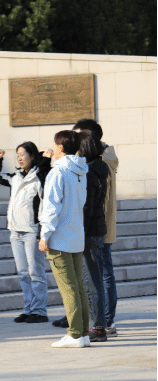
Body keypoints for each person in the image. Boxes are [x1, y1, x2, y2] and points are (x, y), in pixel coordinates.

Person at [0, 142, 53, 323]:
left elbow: (46, 178)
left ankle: (39, 311)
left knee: (35, 272)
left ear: (32, 156)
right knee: (23, 273)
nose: (19, 157)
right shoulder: (15, 177)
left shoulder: (40, 176)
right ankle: (28, 309)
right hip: (15, 231)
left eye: (23, 154)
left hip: (32, 231)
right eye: (17, 154)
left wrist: (45, 161)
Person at [39, 131, 89, 348]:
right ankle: (83, 333)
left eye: (54, 144)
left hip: (60, 237)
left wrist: (44, 235)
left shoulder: (58, 171)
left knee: (68, 287)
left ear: (60, 147)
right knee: (78, 286)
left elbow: (51, 207)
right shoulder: (80, 171)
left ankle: (75, 334)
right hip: (76, 235)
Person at [74, 119, 119, 338]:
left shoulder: (99, 164)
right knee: (99, 275)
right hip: (100, 226)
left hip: (97, 227)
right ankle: (101, 320)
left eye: (78, 137)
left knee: (99, 276)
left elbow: (94, 204)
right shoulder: (101, 162)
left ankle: (103, 321)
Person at [76, 131, 110, 342]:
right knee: (94, 279)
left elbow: (87, 209)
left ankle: (97, 328)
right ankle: (98, 325)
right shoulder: (99, 168)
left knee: (90, 282)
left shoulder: (88, 173)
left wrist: (80, 235)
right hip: (96, 231)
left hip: (89, 233)